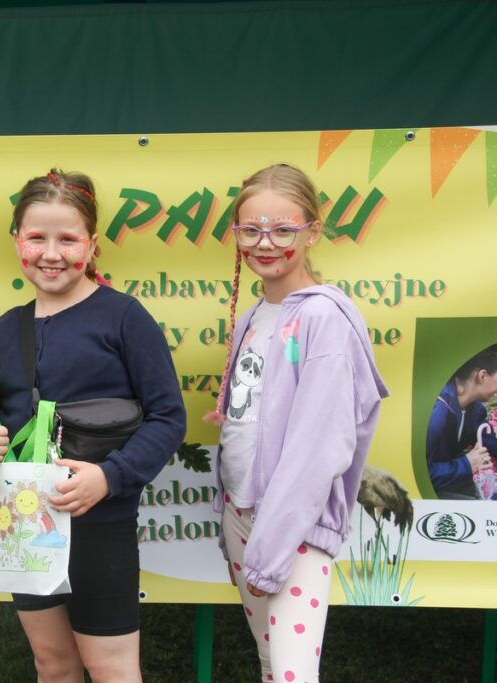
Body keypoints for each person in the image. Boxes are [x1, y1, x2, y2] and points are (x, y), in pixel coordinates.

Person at [0, 169, 186, 683]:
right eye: (36, 238)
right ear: (17, 242)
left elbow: (169, 418)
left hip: (100, 525)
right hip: (24, 525)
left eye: (67, 239)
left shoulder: (125, 318)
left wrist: (111, 476)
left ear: (92, 244)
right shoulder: (6, 329)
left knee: (111, 666)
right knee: (52, 663)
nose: (51, 253)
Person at [207, 163, 388, 682]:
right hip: (242, 515)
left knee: (292, 674)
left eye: (283, 229)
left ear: (312, 231)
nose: (266, 243)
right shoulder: (252, 317)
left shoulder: (323, 318)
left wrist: (270, 551)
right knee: (271, 664)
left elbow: (321, 447)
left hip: (293, 528)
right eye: (251, 229)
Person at [426, 345, 497, 499]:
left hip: (452, 481)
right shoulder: (437, 412)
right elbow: (420, 472)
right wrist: (467, 464)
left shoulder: (475, 410)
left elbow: (490, 443)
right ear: (482, 376)